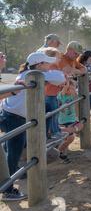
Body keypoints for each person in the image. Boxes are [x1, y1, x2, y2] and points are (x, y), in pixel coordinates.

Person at [0, 52, 65, 201]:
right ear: (39, 64)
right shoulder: (34, 74)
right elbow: (60, 78)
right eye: (47, 63)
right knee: (13, 152)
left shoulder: (27, 73)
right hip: (15, 117)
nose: (50, 66)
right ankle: (8, 189)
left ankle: (10, 175)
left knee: (9, 149)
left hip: (11, 114)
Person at [45, 41, 86, 140]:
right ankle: (55, 137)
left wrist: (76, 71)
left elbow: (84, 69)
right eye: (75, 53)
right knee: (52, 118)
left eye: (78, 54)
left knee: (55, 118)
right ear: (69, 50)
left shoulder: (73, 60)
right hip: (51, 93)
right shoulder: (62, 58)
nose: (77, 55)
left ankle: (58, 137)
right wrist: (76, 72)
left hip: (59, 93)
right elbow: (69, 71)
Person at [57, 79, 83, 164]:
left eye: (73, 89)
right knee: (69, 138)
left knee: (69, 139)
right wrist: (67, 83)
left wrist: (76, 117)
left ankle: (62, 154)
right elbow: (65, 89)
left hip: (71, 120)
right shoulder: (61, 95)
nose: (71, 91)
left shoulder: (73, 96)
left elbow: (76, 104)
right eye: (69, 89)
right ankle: (59, 153)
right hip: (62, 120)